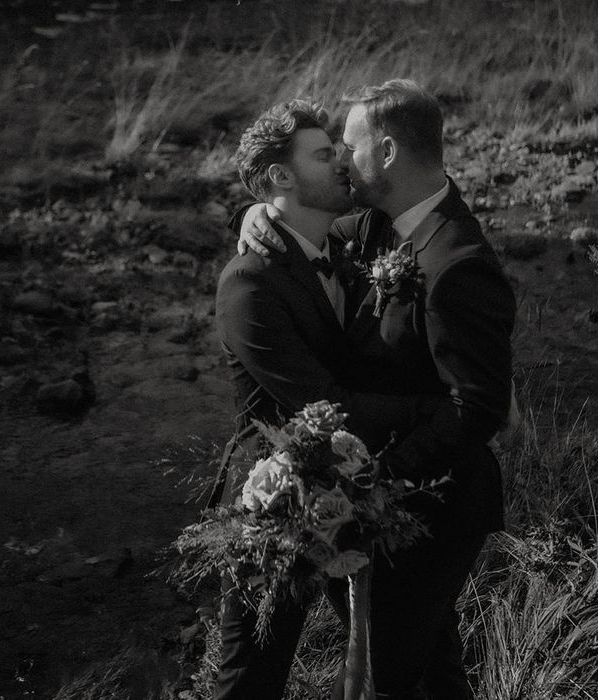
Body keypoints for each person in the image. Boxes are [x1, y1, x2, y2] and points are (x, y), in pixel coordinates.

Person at [236, 79, 517, 699]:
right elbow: (310, 237)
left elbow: (478, 408)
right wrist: (261, 211)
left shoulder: (458, 262)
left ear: (386, 152)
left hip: (435, 501)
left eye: (350, 145)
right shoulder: (375, 226)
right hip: (380, 495)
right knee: (430, 662)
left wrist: (381, 474)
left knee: (389, 673)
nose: (341, 158)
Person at [211, 98, 442, 700]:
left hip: (360, 488)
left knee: (414, 660)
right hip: (275, 501)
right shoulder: (248, 285)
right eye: (323, 154)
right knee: (250, 679)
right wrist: (440, 412)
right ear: (281, 178)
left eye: (340, 150)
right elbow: (324, 403)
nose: (342, 162)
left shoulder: (343, 245)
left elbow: (427, 187)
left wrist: (257, 210)